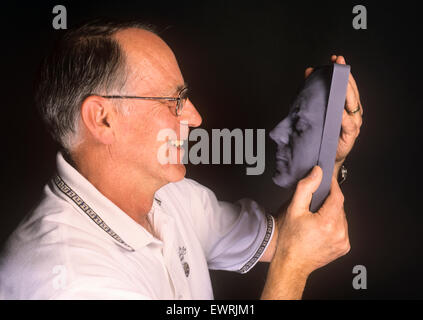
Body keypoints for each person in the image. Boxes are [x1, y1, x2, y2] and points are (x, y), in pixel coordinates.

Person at [0, 19, 363, 300]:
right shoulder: (68, 279)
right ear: (103, 119)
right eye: (174, 100)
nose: (194, 117)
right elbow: (291, 254)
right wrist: (291, 270)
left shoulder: (173, 199)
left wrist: (326, 151)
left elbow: (287, 237)